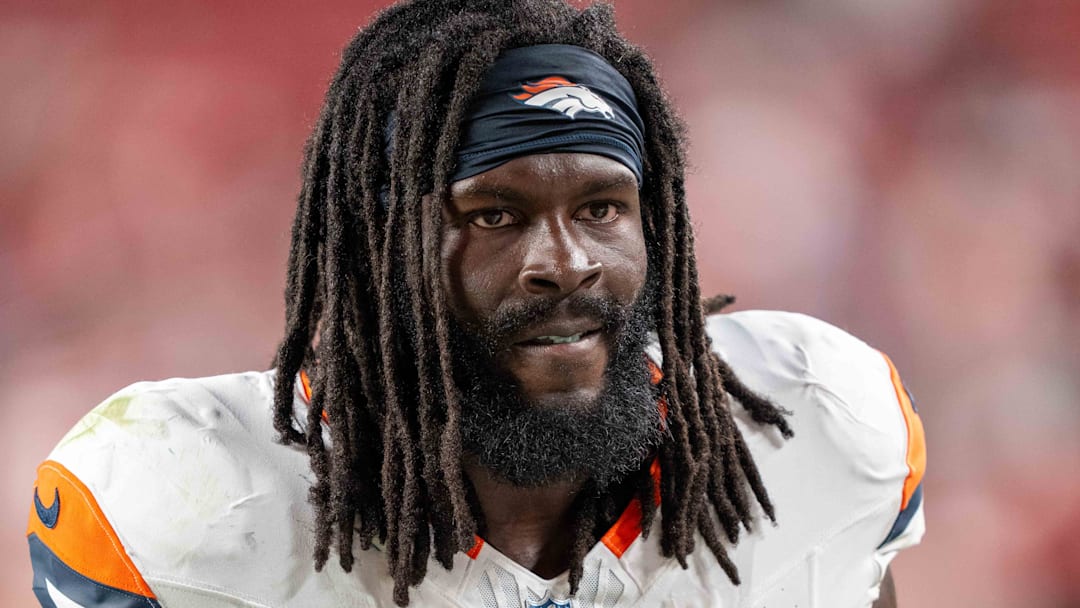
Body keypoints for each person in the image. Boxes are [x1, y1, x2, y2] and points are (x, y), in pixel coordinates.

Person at [26, 1, 926, 606]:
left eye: (603, 208)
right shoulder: (192, 503)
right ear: (378, 253)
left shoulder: (817, 428)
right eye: (494, 213)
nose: (565, 263)